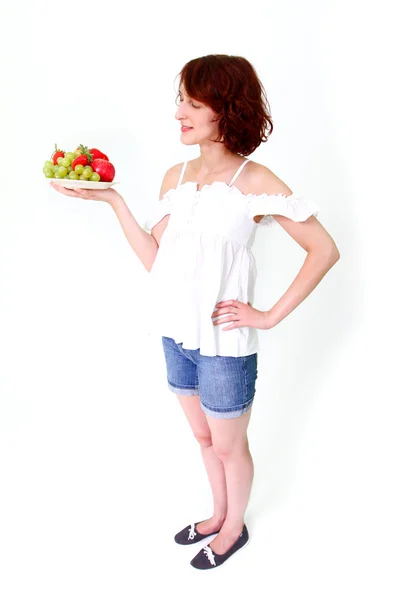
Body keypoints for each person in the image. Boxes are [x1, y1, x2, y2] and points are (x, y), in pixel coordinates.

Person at [50, 54, 340, 570]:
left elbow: (324, 249)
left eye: (190, 101)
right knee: (204, 437)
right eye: (179, 100)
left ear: (224, 109)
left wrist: (268, 316)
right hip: (176, 334)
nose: (178, 112)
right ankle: (216, 512)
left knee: (230, 446)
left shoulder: (254, 180)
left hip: (226, 343)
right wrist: (114, 200)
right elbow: (156, 263)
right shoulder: (176, 176)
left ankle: (233, 529)